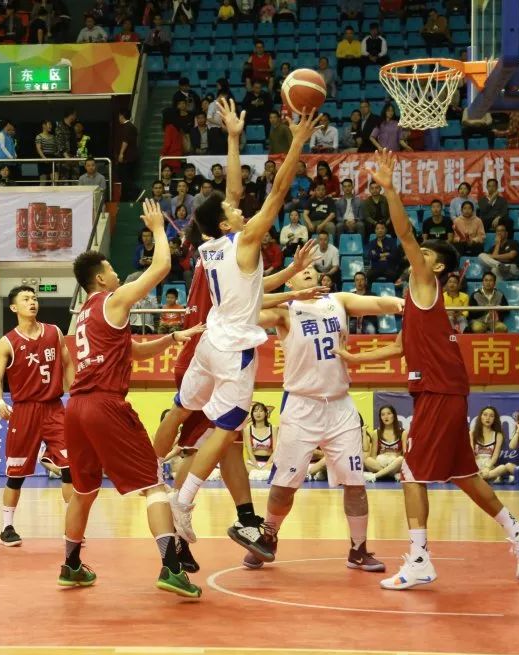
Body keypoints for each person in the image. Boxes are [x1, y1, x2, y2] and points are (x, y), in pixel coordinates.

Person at [337, 148, 519, 591]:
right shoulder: (417, 303)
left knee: (411, 473)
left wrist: (390, 190)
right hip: (442, 392)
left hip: (438, 393)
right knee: (463, 475)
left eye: (426, 254)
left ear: (438, 265)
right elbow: (399, 346)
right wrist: (354, 359)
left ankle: (419, 559)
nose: (418, 256)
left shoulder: (425, 282)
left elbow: (404, 235)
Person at [153, 103, 328, 559]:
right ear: (225, 222)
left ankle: (152, 473)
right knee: (225, 430)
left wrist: (233, 137)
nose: (239, 207)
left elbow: (231, 195)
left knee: (182, 409)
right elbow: (278, 191)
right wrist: (296, 142)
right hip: (232, 351)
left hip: (209, 343)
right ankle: (182, 500)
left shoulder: (211, 246)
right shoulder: (245, 241)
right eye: (233, 210)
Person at [62, 200, 205, 598]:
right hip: (105, 404)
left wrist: (171, 338)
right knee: (154, 486)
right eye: (110, 269)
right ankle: (170, 568)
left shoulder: (85, 314)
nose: (115, 273)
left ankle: (71, 565)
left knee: (84, 492)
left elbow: (131, 351)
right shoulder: (114, 300)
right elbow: (160, 269)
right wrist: (159, 228)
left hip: (76, 408)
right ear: (100, 278)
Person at [244, 261, 402, 569]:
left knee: (355, 483)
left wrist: (407, 303)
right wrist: (287, 292)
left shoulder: (338, 300)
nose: (305, 271)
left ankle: (358, 549)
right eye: (297, 270)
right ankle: (269, 537)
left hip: (340, 406)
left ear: (320, 276)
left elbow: (380, 304)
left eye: (310, 268)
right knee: (284, 486)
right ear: (289, 282)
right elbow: (246, 308)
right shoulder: (285, 311)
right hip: (301, 406)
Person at [0, 286, 75, 547]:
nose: (32, 302)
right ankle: (7, 527)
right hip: (25, 411)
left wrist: (75, 395)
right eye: (26, 299)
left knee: (71, 468)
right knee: (16, 475)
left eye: (34, 298)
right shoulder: (7, 342)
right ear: (14, 307)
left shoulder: (54, 332)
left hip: (54, 407)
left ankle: (73, 526)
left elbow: (68, 363)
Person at [365, 404, 405, 482]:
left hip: (396, 462)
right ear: (380, 417)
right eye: (383, 414)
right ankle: (392, 475)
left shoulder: (402, 432)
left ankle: (375, 476)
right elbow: (373, 456)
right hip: (381, 462)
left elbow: (405, 455)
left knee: (401, 459)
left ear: (394, 415)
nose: (386, 417)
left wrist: (395, 454)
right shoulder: (376, 433)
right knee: (367, 460)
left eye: (389, 413)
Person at [472, 406, 511, 483]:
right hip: (475, 465)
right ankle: (486, 477)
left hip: (489, 465)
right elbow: (470, 454)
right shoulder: (472, 433)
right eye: (485, 415)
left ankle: (483, 477)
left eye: (491, 416)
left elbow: (495, 456)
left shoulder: (498, 435)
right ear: (480, 417)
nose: (488, 418)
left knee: (503, 468)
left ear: (494, 419)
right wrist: (476, 468)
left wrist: (487, 468)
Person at [241, 402, 276, 473]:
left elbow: (276, 451)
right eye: (255, 411)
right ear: (252, 414)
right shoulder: (247, 429)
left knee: (270, 470)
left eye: (261, 411)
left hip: (269, 463)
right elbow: (250, 452)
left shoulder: (273, 428)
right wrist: (257, 467)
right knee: (248, 468)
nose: (258, 413)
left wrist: (266, 465)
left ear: (266, 413)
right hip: (253, 463)